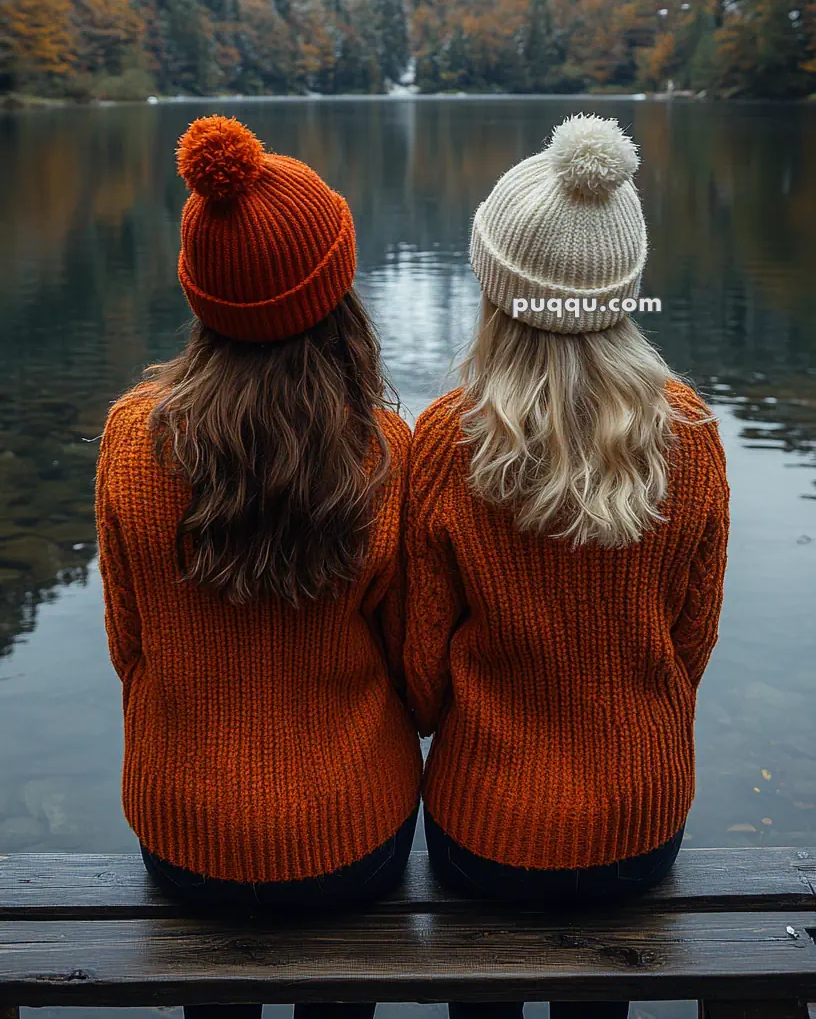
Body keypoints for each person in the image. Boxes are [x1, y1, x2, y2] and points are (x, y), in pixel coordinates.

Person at [403, 113, 730, 1019]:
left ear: (493, 281)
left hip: (485, 831)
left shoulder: (447, 440)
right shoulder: (691, 435)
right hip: (639, 828)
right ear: (623, 284)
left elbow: (422, 677)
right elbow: (692, 642)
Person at [95, 115, 422, 1019]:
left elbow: (128, 645)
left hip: (185, 841)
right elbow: (408, 663)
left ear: (203, 294)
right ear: (337, 290)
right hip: (352, 842)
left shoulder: (133, 439)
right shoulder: (382, 449)